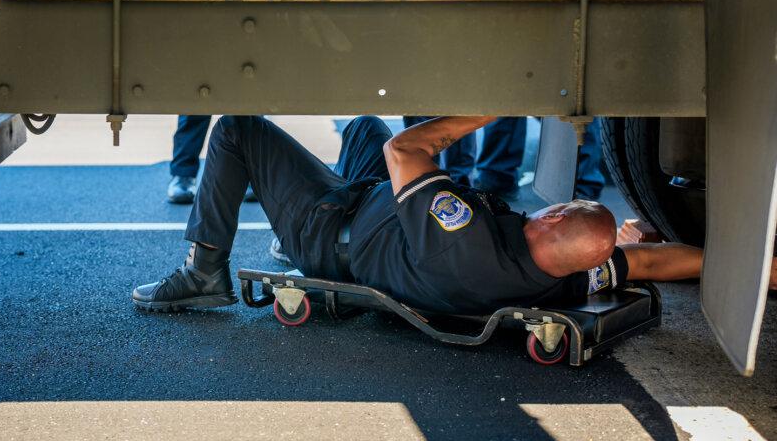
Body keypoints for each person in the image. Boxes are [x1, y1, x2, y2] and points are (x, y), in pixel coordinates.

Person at [132, 115, 774, 315]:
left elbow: (406, 150)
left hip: (334, 232)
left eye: (562, 206)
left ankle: (203, 272)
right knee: (362, 126)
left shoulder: (463, 240)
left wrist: (495, 102)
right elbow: (659, 261)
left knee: (239, 130)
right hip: (377, 215)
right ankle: (283, 226)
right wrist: (761, 272)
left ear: (551, 223)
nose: (550, 205)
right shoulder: (566, 276)